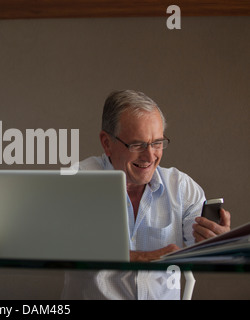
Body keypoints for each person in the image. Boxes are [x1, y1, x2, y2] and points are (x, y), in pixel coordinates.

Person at [61, 90, 231, 300]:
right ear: (107, 143)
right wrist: (140, 257)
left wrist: (215, 238)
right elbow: (62, 245)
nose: (150, 156)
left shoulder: (182, 188)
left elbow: (202, 247)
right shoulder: (78, 181)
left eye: (157, 142)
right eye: (137, 144)